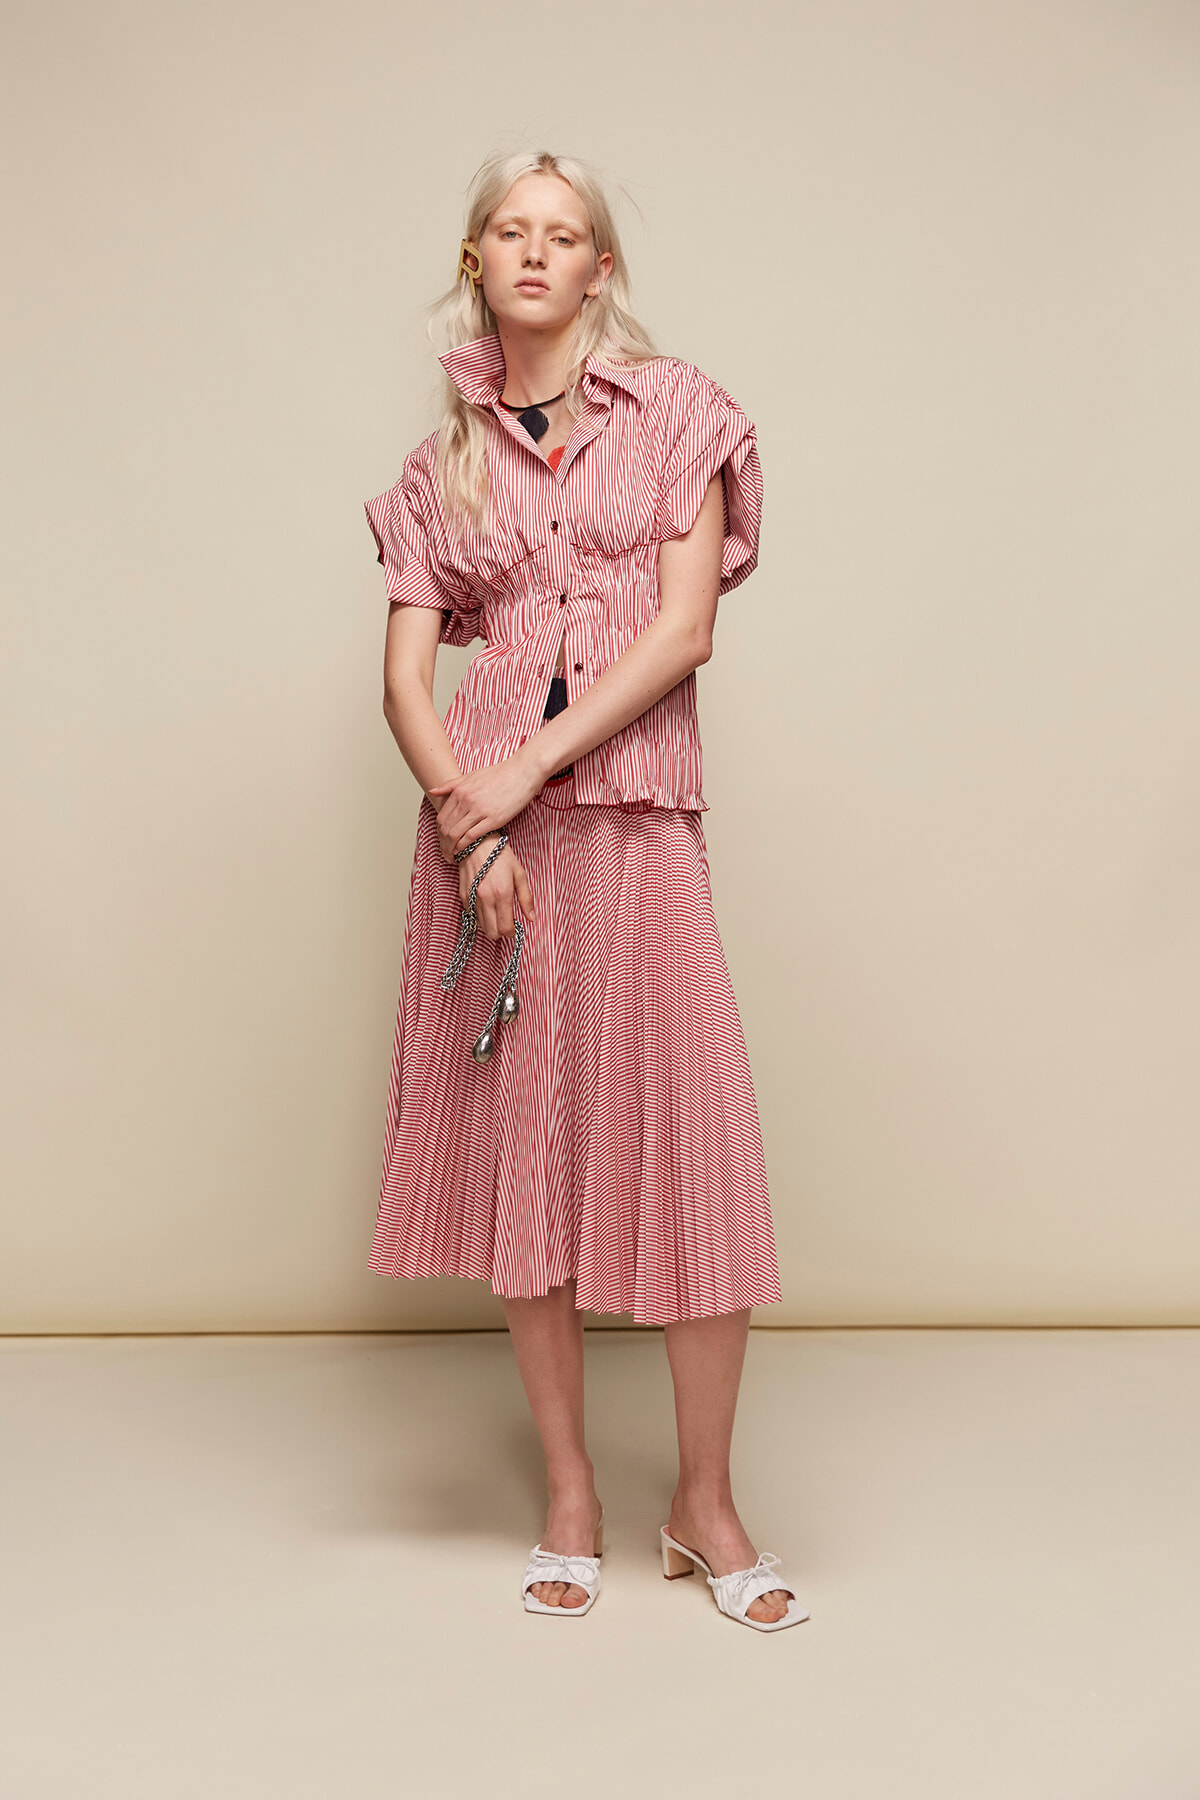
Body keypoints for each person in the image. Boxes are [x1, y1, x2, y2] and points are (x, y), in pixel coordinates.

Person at [363, 149, 807, 1631]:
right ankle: (568, 1493)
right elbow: (406, 678)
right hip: (487, 847)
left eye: (566, 235)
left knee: (692, 1135)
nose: (537, 254)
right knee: (524, 1163)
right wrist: (464, 818)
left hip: (628, 814)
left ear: (601, 269)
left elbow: (682, 635)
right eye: (511, 231)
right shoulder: (445, 467)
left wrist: (520, 772)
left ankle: (705, 1504)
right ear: (478, 259)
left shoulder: (678, 412)